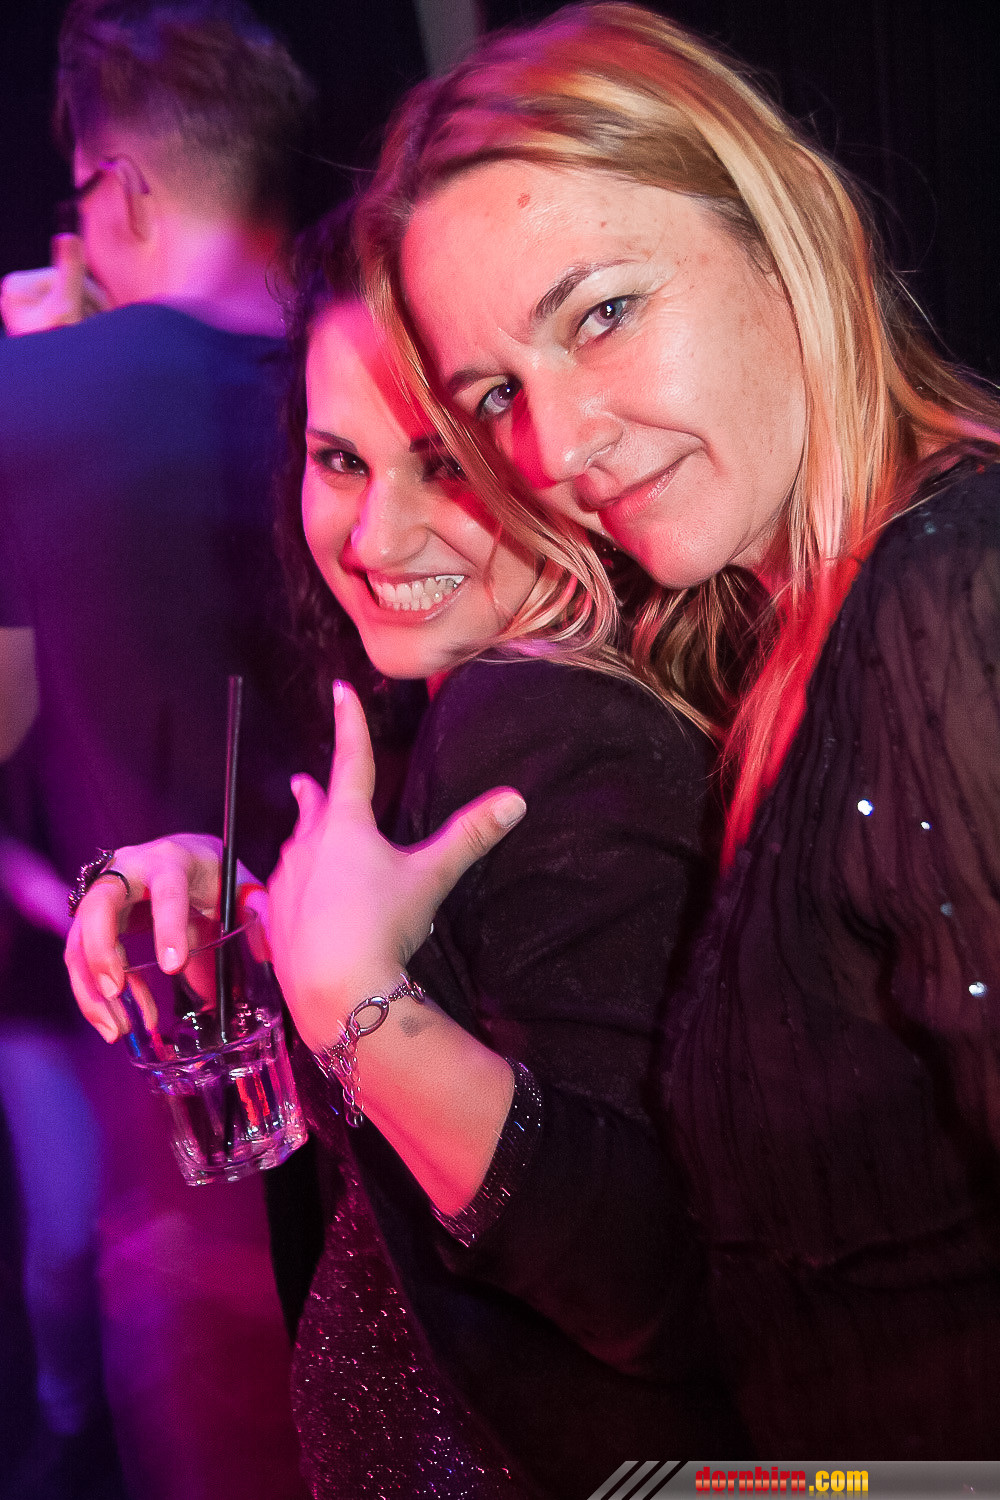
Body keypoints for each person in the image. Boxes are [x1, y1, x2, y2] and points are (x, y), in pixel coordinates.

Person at [351, 0, 1000, 1457]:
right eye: (498, 395)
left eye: (604, 313)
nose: (556, 448)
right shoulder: (776, 638)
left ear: (783, 231)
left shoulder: (954, 601)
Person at [66, 206, 748, 1496]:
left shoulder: (542, 721)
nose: (376, 538)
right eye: (338, 459)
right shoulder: (470, 705)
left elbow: (655, 1283)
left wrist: (352, 1006)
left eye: (446, 466)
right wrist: (254, 909)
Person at [0, 2, 314, 1495]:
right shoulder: (367, 375)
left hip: (174, 1057)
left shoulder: (36, 400)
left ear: (118, 190)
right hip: (401, 1011)